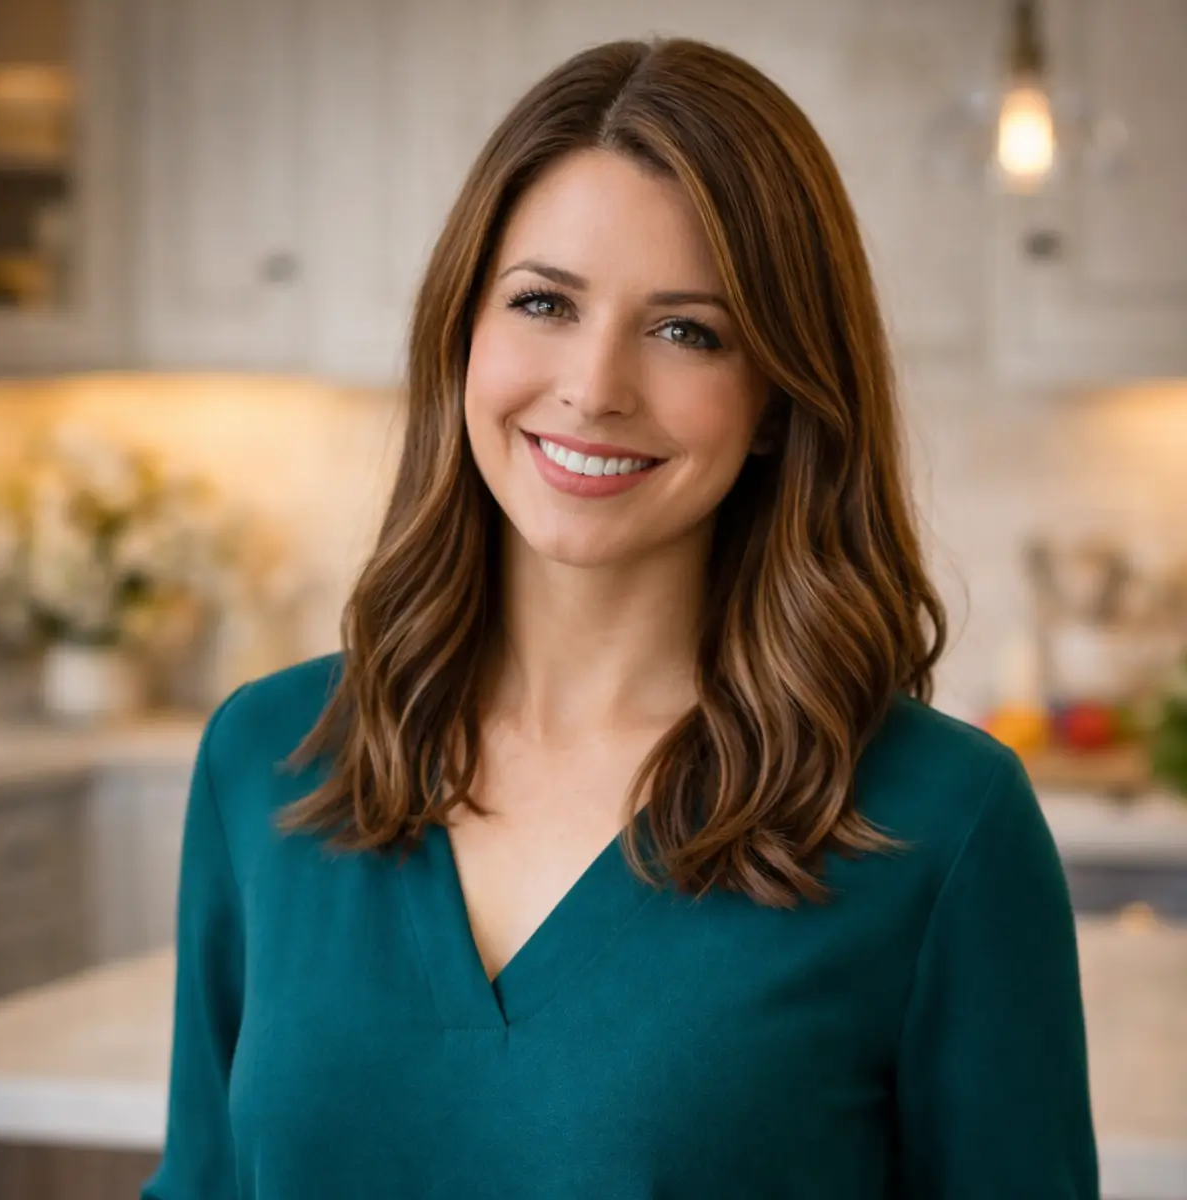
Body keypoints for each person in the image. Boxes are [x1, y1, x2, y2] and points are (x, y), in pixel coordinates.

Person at [141, 35, 1098, 1200]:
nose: (595, 386)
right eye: (544, 302)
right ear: (463, 337)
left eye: (687, 330)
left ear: (776, 404)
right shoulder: (267, 757)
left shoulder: (940, 826)